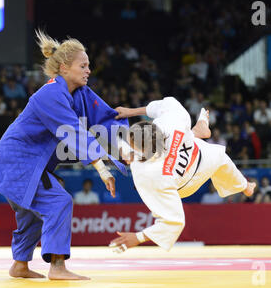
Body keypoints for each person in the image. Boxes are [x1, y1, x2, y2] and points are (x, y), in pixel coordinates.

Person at [0, 30, 128, 280]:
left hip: (26, 164)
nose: (88, 71)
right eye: (83, 66)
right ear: (64, 68)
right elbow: (74, 132)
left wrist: (129, 148)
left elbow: (105, 117)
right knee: (58, 202)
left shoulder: (80, 93)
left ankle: (19, 265)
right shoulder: (50, 94)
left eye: (89, 66)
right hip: (15, 163)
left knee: (32, 214)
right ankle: (57, 266)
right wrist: (102, 168)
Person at [109, 96, 255, 253]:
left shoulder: (147, 172)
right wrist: (130, 112)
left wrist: (138, 237)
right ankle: (245, 185)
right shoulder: (172, 117)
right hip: (201, 157)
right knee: (220, 157)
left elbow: (174, 220)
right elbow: (157, 107)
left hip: (183, 185)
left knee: (122, 149)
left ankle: (196, 132)